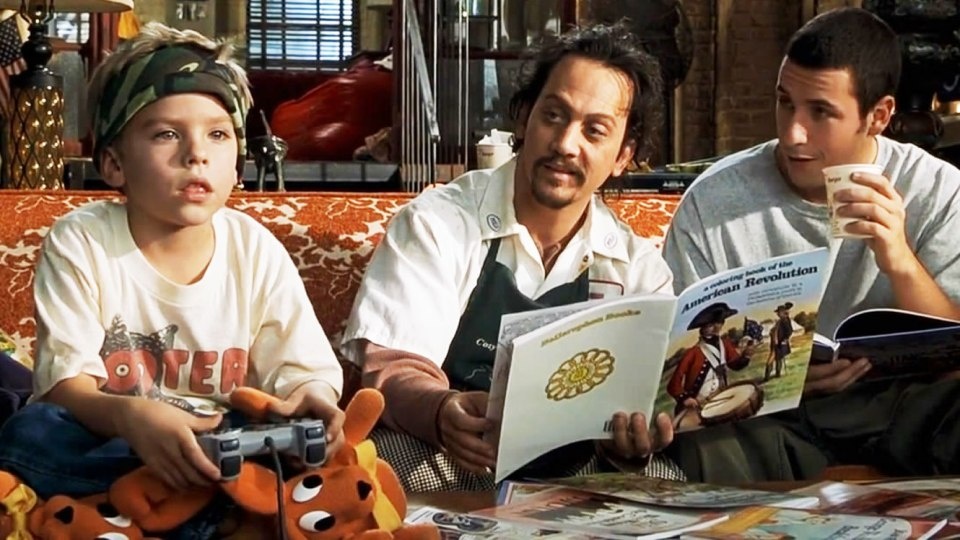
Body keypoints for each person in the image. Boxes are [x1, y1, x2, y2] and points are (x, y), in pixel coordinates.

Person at [0, 22, 345, 537]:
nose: (195, 154)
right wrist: (133, 418)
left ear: (237, 166)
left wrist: (312, 399)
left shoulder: (254, 247)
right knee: (30, 432)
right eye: (166, 134)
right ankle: (221, 507)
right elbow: (67, 387)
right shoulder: (81, 240)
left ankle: (162, 505)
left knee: (321, 444)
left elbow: (301, 371)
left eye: (218, 134)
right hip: (118, 438)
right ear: (114, 164)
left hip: (223, 438)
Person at [341, 22, 683, 491]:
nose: (566, 144)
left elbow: (642, 403)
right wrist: (441, 411)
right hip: (448, 454)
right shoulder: (438, 224)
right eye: (553, 116)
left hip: (579, 470)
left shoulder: (639, 270)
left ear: (623, 155)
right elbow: (394, 369)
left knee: (666, 488)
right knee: (370, 478)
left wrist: (631, 439)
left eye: (595, 131)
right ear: (523, 119)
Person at [662, 7, 960, 482]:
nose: (792, 133)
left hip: (901, 412)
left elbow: (953, 349)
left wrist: (900, 260)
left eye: (820, 112)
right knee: (701, 436)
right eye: (785, 103)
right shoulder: (713, 201)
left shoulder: (938, 188)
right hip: (775, 419)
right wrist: (780, 381)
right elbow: (678, 362)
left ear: (878, 116)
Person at [667, 302, 753, 415]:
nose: (717, 326)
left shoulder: (725, 344)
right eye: (711, 324)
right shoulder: (693, 352)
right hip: (697, 403)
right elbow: (673, 383)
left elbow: (735, 365)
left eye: (719, 322)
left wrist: (746, 356)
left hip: (720, 397)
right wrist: (685, 398)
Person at [765, 303, 794, 380]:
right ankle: (774, 375)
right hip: (776, 342)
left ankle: (770, 376)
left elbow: (789, 331)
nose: (777, 314)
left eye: (779, 312)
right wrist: (772, 332)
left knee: (776, 357)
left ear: (782, 312)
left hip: (779, 342)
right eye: (777, 312)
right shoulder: (780, 321)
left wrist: (784, 339)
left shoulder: (785, 320)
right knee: (778, 357)